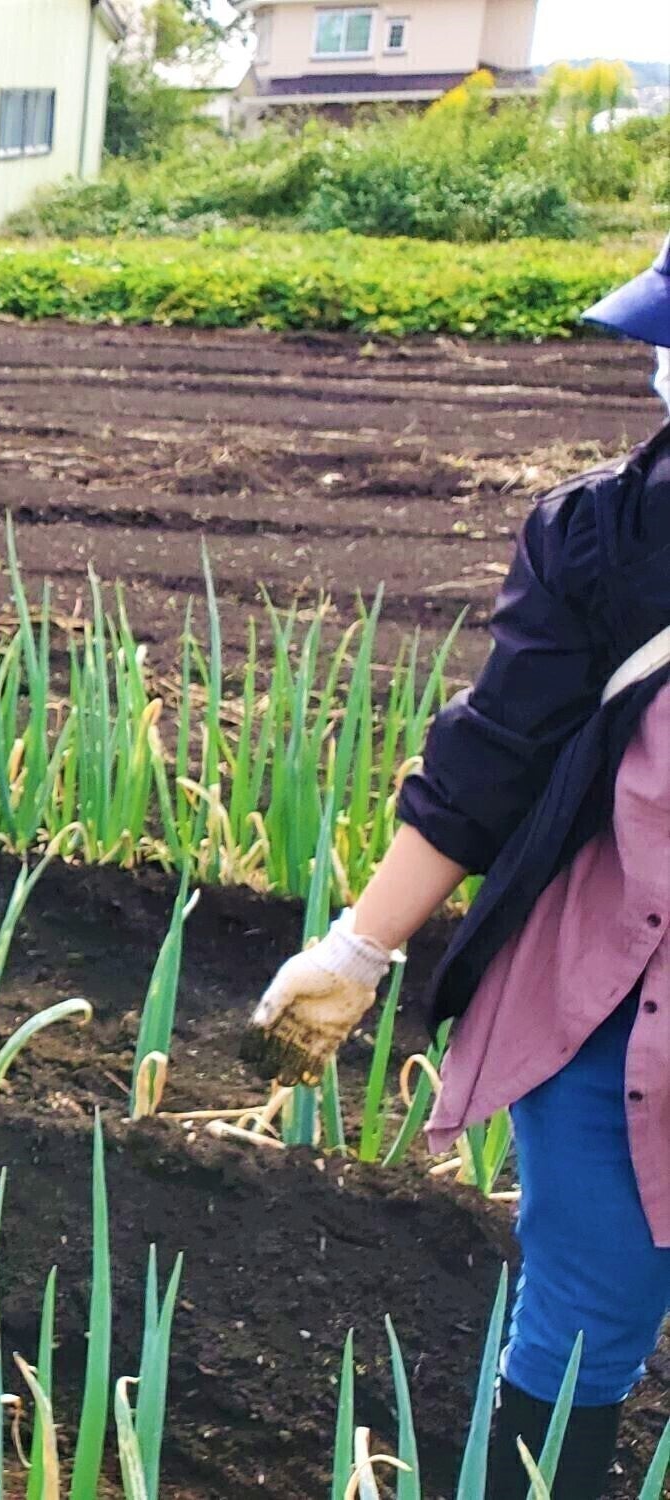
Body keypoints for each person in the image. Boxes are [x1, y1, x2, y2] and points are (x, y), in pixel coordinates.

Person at [248, 236, 670, 1500]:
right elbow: (489, 755)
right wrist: (354, 951)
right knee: (585, 1307)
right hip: (606, 988)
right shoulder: (606, 534)